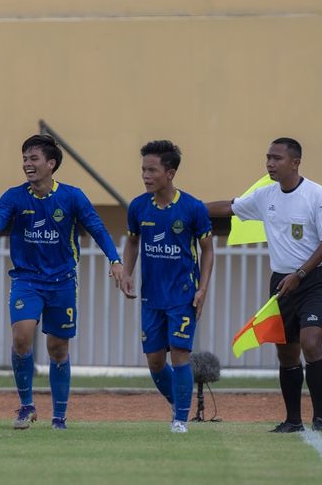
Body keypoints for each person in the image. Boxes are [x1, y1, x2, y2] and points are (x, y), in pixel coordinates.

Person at [0, 134, 124, 430]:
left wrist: (115, 260)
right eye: (24, 159)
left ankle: (59, 416)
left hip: (62, 282)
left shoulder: (72, 196)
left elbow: (97, 228)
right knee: (22, 337)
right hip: (26, 280)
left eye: (33, 159)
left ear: (51, 163)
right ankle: (25, 407)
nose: (27, 164)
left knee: (58, 349)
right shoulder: (14, 196)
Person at [206, 137, 322, 432]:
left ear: (295, 162)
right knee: (286, 352)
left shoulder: (317, 195)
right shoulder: (266, 196)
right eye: (268, 158)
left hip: (314, 280)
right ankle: (293, 420)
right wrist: (189, 208)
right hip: (281, 280)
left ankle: (320, 419)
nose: (270, 164)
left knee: (310, 343)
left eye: (276, 158)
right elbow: (230, 206)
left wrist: (300, 274)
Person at [119, 140, 214, 434]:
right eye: (143, 170)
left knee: (180, 354)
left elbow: (208, 250)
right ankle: (181, 402)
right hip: (152, 296)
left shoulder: (193, 208)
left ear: (170, 173)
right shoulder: (138, 207)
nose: (146, 176)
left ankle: (180, 420)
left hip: (183, 295)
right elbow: (133, 242)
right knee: (155, 361)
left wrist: (203, 288)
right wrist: (126, 272)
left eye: (152, 170)